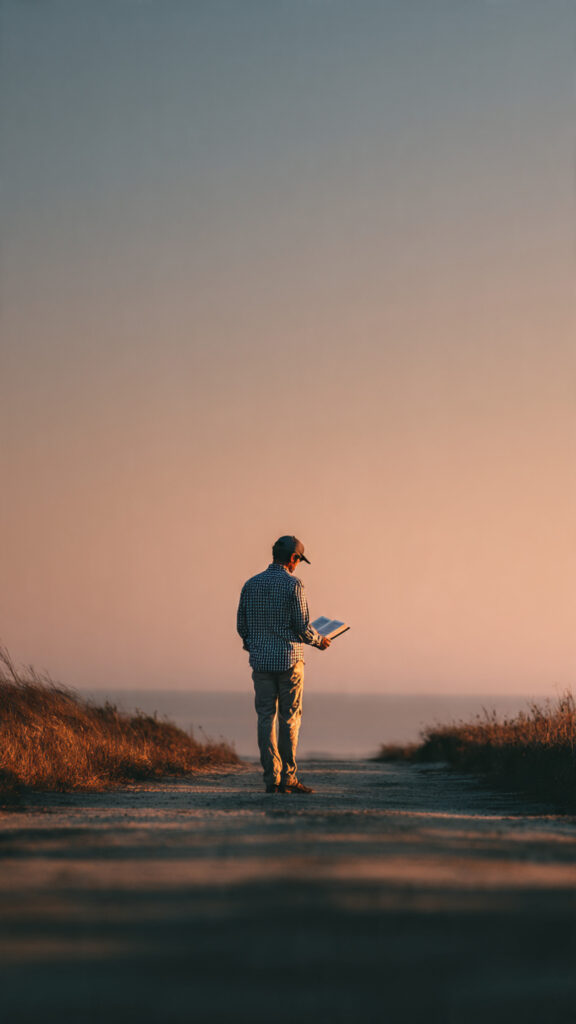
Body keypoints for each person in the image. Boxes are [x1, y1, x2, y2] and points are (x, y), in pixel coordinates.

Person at [237, 535, 331, 794]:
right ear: (293, 558)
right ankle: (288, 777)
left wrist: (255, 645)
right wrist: (319, 640)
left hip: (261, 662)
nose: (297, 565)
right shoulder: (294, 584)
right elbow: (302, 627)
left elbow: (242, 626)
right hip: (290, 660)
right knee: (289, 718)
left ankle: (271, 778)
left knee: (265, 718)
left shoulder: (250, 584)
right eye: (298, 560)